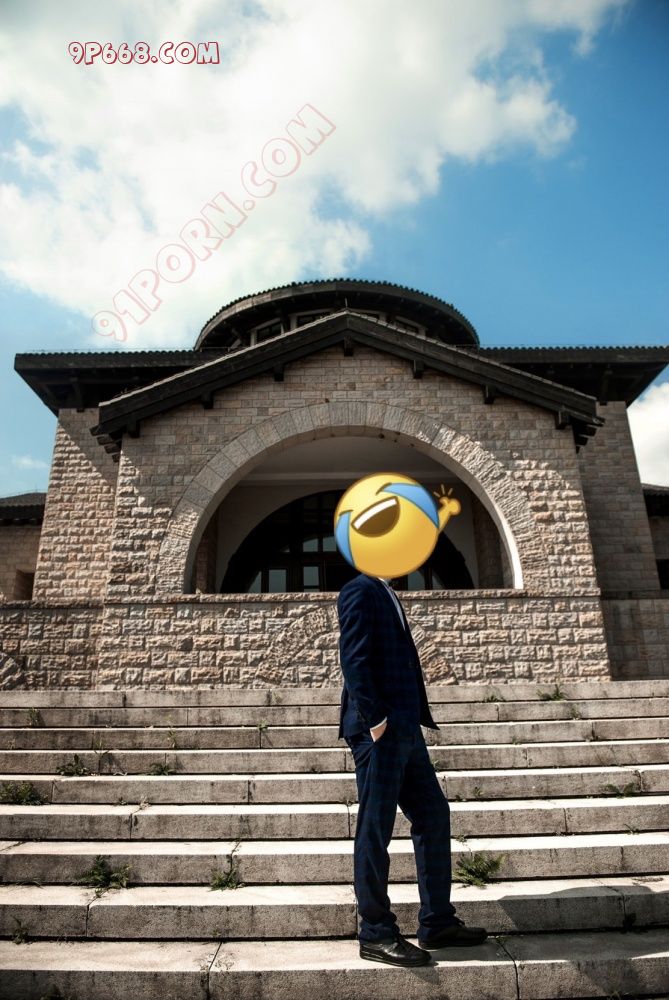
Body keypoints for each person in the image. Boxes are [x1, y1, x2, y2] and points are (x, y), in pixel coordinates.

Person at [337, 571, 488, 967]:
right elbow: (353, 658)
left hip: (406, 729)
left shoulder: (387, 592)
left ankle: (437, 922)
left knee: (433, 814)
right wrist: (376, 721)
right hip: (379, 732)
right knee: (376, 826)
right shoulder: (359, 590)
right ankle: (375, 932)